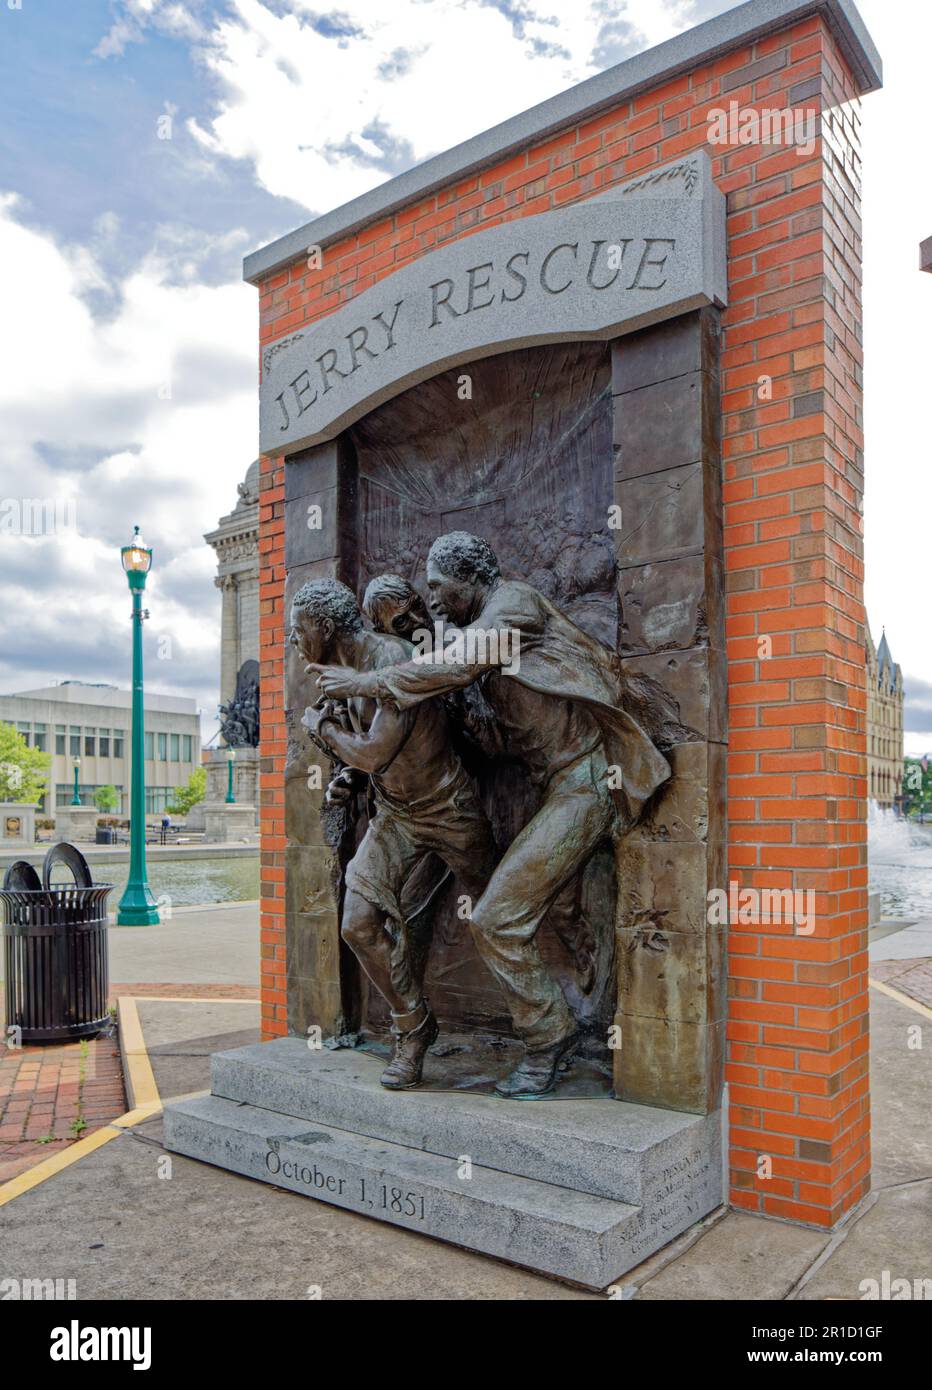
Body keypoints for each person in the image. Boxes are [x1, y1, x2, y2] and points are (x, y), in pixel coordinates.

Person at [309, 532, 671, 1098]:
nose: (431, 602)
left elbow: (459, 663)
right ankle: (568, 1020)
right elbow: (497, 734)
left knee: (496, 917)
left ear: (470, 575)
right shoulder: (475, 638)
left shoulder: (514, 604)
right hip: (552, 787)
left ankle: (550, 1038)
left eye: (437, 587)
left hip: (591, 779)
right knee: (552, 914)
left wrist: (368, 684)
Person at [289, 577, 496, 1090]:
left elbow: (377, 750)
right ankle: (414, 1028)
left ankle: (546, 1034)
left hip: (450, 809)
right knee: (357, 924)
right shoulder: (335, 676)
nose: (294, 640)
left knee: (500, 918)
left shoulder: (392, 657)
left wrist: (322, 731)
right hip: (396, 815)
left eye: (298, 629)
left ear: (324, 626)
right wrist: (348, 777)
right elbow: (369, 761)